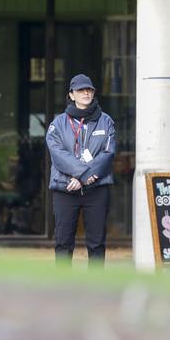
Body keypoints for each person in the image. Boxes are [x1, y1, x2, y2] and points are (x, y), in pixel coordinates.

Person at [46, 74, 116, 266]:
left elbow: (108, 153)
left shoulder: (106, 121)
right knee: (63, 243)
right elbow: (57, 154)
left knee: (96, 244)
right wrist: (83, 174)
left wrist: (84, 179)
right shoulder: (58, 124)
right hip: (65, 189)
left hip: (97, 189)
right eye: (81, 90)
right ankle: (63, 288)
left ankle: (96, 289)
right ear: (71, 94)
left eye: (90, 89)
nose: (86, 93)